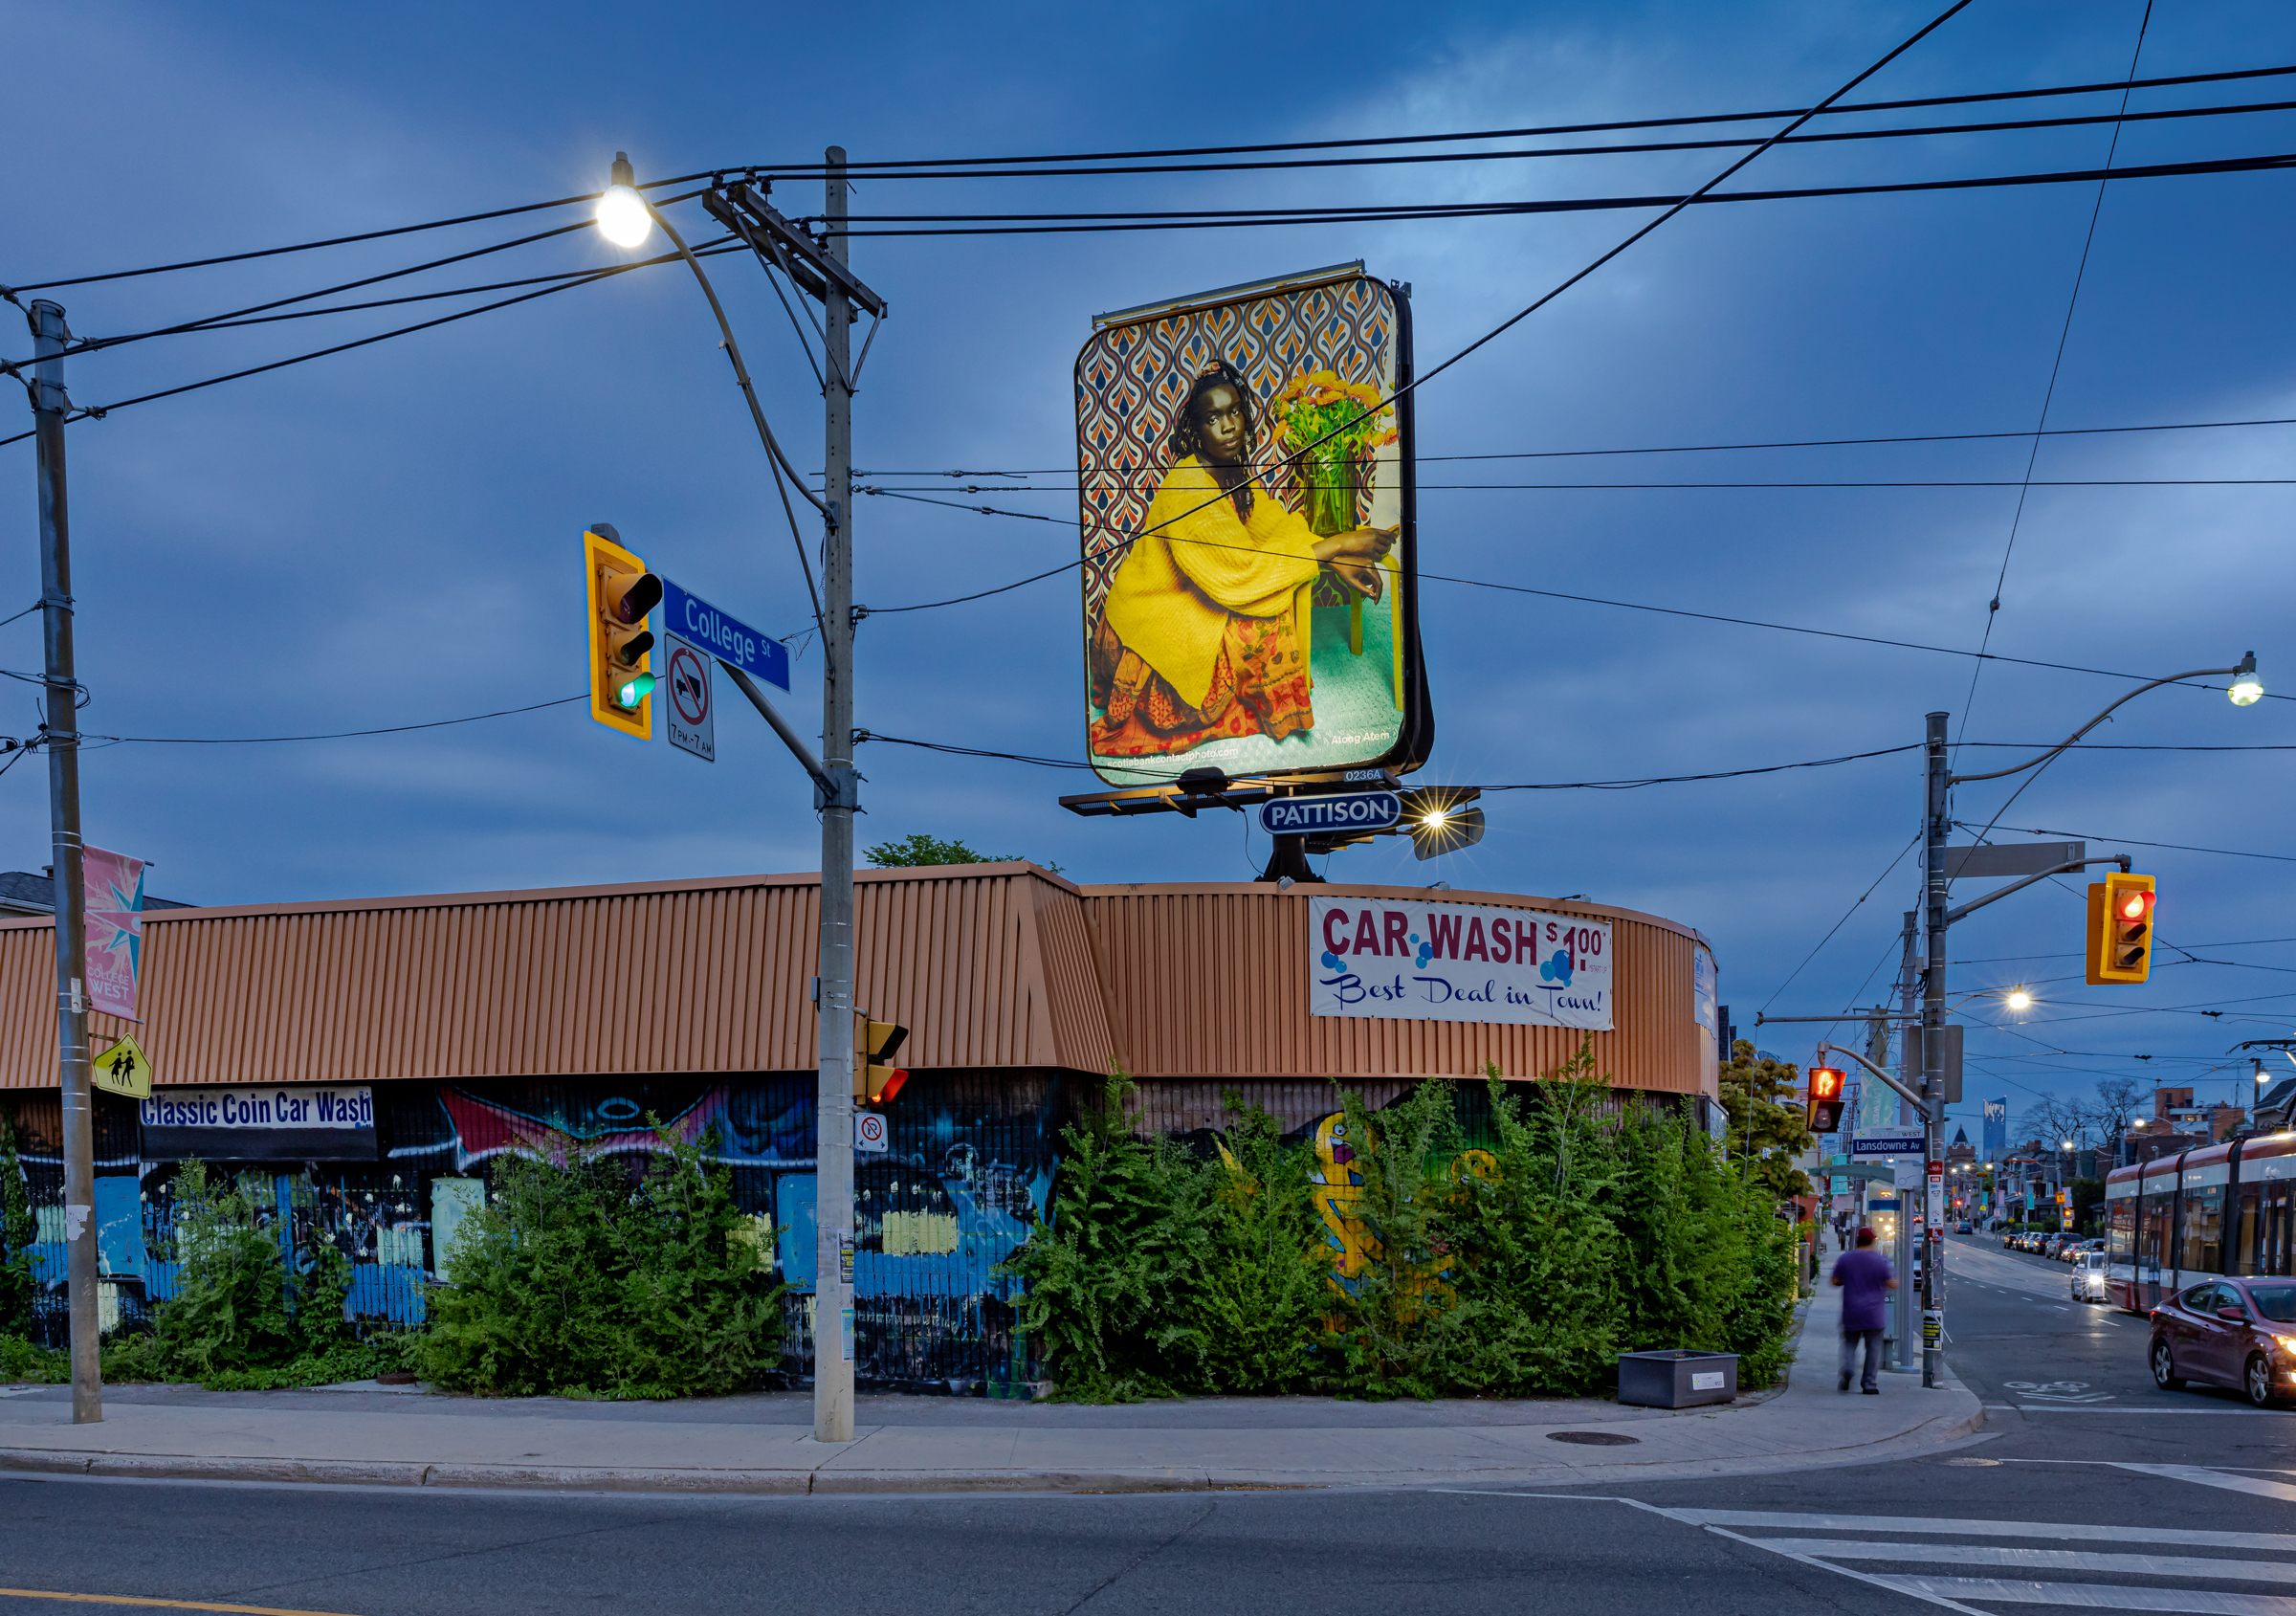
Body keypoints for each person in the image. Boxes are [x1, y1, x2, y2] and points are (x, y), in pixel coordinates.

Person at [1090, 362, 1397, 758]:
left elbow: (1269, 527)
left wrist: (1331, 554)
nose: (1229, 425)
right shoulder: (1187, 485)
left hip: (1197, 588)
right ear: (1195, 432)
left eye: (1235, 411)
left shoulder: (1228, 473)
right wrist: (1338, 546)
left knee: (1278, 590)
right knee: (1265, 618)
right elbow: (1240, 576)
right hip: (1155, 612)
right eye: (1213, 417)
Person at [1831, 1226, 1897, 1394]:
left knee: (1849, 1344)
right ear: (1873, 1241)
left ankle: (1847, 1369)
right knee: (1873, 1348)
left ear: (1857, 1240)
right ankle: (1869, 1384)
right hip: (1874, 1314)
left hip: (1851, 1310)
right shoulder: (1881, 1260)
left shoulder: (1846, 1259)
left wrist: (1847, 1280)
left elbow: (1834, 1281)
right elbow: (1892, 1284)